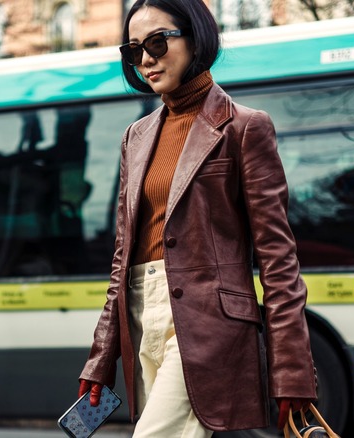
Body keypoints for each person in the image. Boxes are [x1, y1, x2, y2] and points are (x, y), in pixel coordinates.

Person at [77, 0, 318, 436]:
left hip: (209, 324)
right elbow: (122, 256)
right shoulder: (136, 136)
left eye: (157, 42)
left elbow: (279, 261)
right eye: (134, 50)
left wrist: (293, 370)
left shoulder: (244, 127)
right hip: (139, 315)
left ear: (196, 38)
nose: (146, 59)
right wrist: (101, 355)